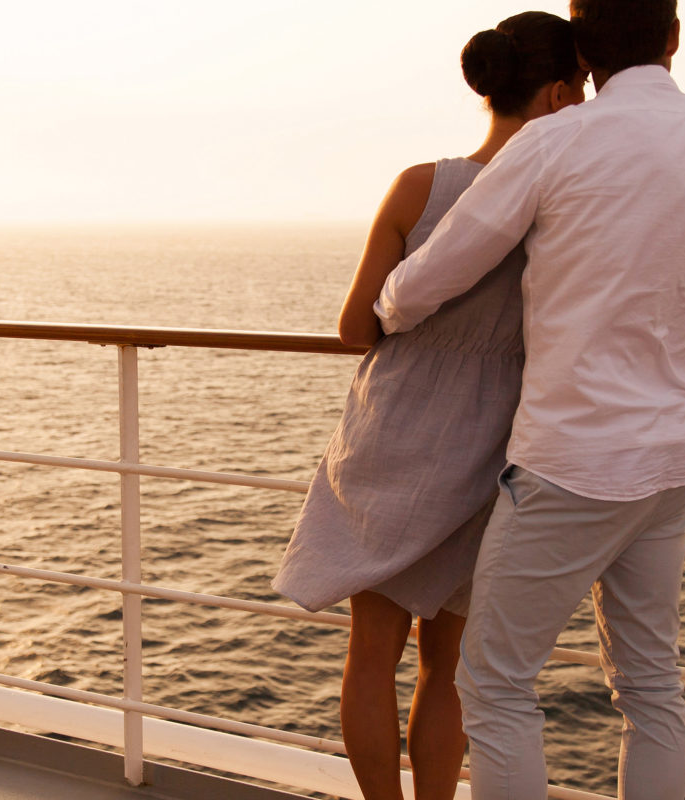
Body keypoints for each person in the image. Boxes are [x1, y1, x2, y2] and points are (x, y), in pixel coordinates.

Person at [372, 1, 685, 797]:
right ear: (672, 38)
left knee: (494, 686)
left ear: (583, 50)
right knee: (652, 685)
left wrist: (387, 311)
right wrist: (661, 333)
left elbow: (435, 273)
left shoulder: (557, 139)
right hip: (669, 463)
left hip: (569, 466)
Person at [271, 12, 586, 800]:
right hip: (492, 447)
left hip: (391, 437)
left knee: (370, 654)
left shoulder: (421, 186)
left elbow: (354, 327)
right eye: (579, 90)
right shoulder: (563, 205)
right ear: (555, 94)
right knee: (448, 666)